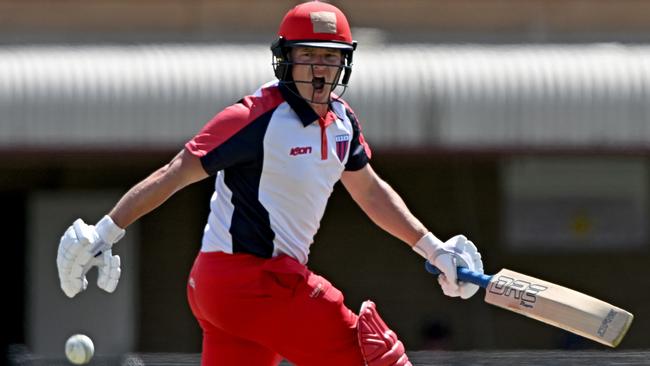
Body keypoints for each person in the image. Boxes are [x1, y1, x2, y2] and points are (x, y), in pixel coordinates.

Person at [56, 2, 484, 365]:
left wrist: (433, 247)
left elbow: (370, 191)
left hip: (236, 292)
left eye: (331, 58)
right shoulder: (253, 117)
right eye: (310, 57)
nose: (320, 70)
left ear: (345, 63)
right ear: (286, 59)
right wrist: (105, 231)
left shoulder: (343, 123)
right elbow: (176, 171)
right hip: (247, 280)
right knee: (376, 358)